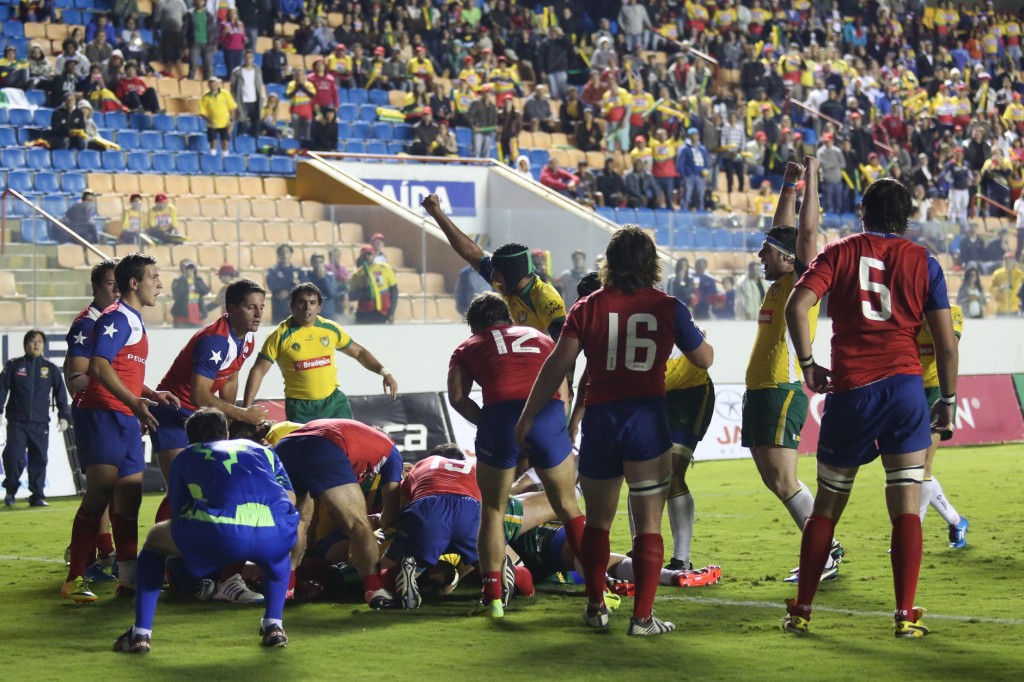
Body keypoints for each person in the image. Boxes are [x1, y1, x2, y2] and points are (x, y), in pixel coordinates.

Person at [515, 225, 713, 636]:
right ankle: (642, 618)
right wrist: (701, 338)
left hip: (602, 422)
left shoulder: (586, 307)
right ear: (651, 263)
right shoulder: (669, 306)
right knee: (648, 525)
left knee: (599, 524)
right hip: (646, 421)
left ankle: (595, 606)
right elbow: (704, 358)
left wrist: (529, 415)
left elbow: (557, 367)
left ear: (610, 262)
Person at [783, 177, 958, 638]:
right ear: (907, 216)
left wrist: (808, 364)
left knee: (826, 508)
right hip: (904, 389)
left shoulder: (838, 252)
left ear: (862, 211)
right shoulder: (925, 262)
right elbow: (945, 344)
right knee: (904, 504)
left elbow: (796, 307)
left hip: (851, 390)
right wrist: (950, 401)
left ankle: (801, 611)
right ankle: (905, 616)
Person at [111, 408, 299, 653]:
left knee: (156, 540)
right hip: (273, 530)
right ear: (227, 432)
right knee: (277, 557)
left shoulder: (186, 456)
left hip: (221, 532)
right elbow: (291, 498)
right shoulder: (263, 450)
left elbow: (179, 509)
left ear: (190, 439)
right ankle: (274, 625)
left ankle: (141, 633)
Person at [448, 293, 584, 618]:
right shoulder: (539, 335)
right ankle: (598, 590)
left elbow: (456, 397)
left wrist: (488, 422)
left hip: (500, 415)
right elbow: (564, 382)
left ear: (474, 325)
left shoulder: (468, 346)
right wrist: (557, 424)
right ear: (507, 317)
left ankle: (492, 598)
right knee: (568, 504)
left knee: (492, 509)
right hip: (547, 412)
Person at [741, 159, 843, 584]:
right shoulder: (778, 282)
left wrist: (812, 178)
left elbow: (802, 236)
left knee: (784, 480)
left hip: (782, 390)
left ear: (788, 260)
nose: (759, 255)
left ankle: (826, 551)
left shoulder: (802, 281)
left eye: (766, 252)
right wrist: (787, 187)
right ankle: (823, 546)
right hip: (761, 392)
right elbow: (782, 235)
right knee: (774, 480)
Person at [63, 253, 180, 603]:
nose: (159, 284)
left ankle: (128, 580)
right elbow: (97, 367)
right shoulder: (116, 318)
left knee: (128, 500)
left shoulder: (132, 318)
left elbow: (122, 370)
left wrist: (149, 394)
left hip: (125, 415)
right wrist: (134, 403)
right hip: (102, 414)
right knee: (100, 493)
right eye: (154, 277)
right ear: (134, 283)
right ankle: (74, 578)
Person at [150, 277, 268, 513]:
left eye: (261, 307)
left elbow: (231, 376)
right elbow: (200, 395)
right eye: (250, 307)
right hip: (171, 414)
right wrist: (242, 414)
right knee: (180, 488)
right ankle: (164, 547)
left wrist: (231, 416)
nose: (258, 314)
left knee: (204, 486)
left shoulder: (248, 338)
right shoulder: (214, 341)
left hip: (198, 418)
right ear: (231, 309)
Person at [265, 419, 399, 608]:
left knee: (297, 520)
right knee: (359, 524)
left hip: (285, 446)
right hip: (324, 446)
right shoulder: (391, 453)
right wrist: (381, 522)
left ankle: (286, 587)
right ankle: (375, 589)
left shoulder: (358, 438)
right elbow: (391, 513)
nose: (369, 476)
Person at [242, 283, 397, 423]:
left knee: (345, 451)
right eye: (302, 302)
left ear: (319, 307)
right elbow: (258, 371)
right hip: (300, 408)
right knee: (306, 454)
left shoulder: (330, 329)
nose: (307, 307)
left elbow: (359, 352)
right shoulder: (279, 335)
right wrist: (245, 410)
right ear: (292, 306)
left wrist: (385, 372)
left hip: (334, 404)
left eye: (312, 303)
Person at [421, 194, 565, 339]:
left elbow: (563, 349)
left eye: (497, 273)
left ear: (512, 273)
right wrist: (437, 213)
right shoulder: (510, 285)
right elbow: (471, 253)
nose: (492, 277)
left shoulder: (545, 298)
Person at [378, 447, 481, 610]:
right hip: (470, 509)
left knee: (385, 570)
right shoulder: (475, 469)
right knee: (492, 563)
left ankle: (400, 577)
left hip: (428, 508)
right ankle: (497, 590)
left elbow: (398, 511)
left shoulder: (422, 465)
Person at [916, 304, 969, 548]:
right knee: (907, 468)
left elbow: (950, 348)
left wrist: (931, 322)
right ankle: (956, 520)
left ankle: (910, 536)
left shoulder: (953, 312)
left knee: (922, 468)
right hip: (908, 390)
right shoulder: (905, 310)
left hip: (937, 393)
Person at [1, 331, 71, 508]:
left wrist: (64, 416)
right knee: (13, 457)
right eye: (32, 341)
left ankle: (37, 495)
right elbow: (1, 389)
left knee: (39, 459)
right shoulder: (14, 366)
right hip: (17, 422)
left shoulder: (51, 369)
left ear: (44, 345)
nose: (36, 344)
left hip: (40, 424)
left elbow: (61, 394)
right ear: (26, 345)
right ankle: (10, 491)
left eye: (40, 341)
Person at [348, 245, 398, 324]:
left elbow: (394, 292)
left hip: (382, 313)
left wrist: (391, 313)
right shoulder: (357, 274)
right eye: (364, 255)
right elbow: (351, 296)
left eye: (369, 254)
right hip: (364, 314)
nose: (367, 256)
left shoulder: (384, 268)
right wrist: (363, 288)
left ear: (374, 255)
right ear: (361, 257)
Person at [229, 49, 264, 137]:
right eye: (247, 57)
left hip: (255, 102)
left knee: (255, 127)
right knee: (242, 126)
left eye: (250, 57)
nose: (249, 59)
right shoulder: (237, 71)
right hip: (242, 101)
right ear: (243, 58)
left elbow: (259, 85)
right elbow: (232, 88)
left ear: (253, 58)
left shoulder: (257, 70)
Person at [199, 76, 237, 156]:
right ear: (208, 85)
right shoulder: (205, 96)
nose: (213, 85)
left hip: (225, 123)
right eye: (211, 83)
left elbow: (232, 108)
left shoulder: (225, 94)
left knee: (225, 142)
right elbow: (201, 112)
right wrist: (210, 121)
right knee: (213, 142)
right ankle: (213, 158)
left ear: (218, 84)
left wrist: (231, 122)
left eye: (215, 83)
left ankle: (225, 158)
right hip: (212, 124)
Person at [265, 244, 302, 324]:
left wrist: (288, 291)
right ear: (278, 255)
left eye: (287, 252)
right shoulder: (273, 270)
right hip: (279, 306)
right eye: (282, 252)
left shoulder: (297, 270)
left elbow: (303, 285)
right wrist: (291, 281)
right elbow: (272, 285)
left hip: (295, 306)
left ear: (291, 254)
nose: (285, 255)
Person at [169, 260, 210, 328]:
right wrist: (184, 278)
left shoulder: (197, 280)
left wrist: (196, 278)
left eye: (191, 267)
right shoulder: (177, 281)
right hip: (182, 316)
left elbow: (205, 292)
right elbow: (177, 295)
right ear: (182, 269)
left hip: (197, 314)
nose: (189, 270)